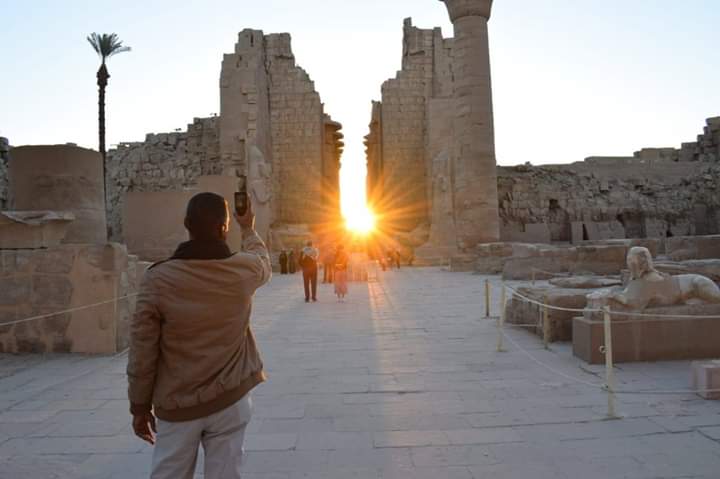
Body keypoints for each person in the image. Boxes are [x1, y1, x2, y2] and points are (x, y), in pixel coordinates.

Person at [127, 192, 271, 479]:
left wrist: (139, 405)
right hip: (230, 399)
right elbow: (263, 260)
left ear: (186, 224)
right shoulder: (243, 270)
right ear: (224, 227)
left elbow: (143, 349)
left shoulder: (158, 279)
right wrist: (248, 228)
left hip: (178, 404)